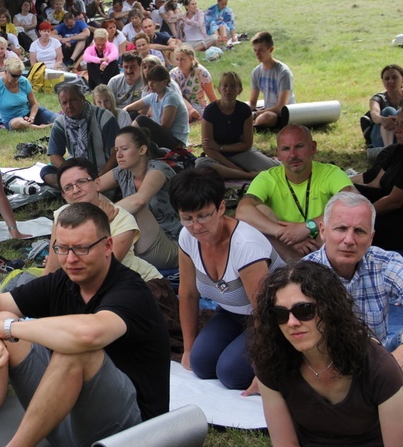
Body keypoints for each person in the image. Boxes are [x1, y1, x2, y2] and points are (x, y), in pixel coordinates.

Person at [0, 202, 171, 446]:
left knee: (75, 352)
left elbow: (88, 335)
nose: (70, 259)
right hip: (66, 420)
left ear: (107, 246)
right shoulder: (62, 280)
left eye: (82, 248)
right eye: (62, 248)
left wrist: (7, 329)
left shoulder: (131, 291)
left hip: (129, 432)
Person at [250, 261, 403, 446]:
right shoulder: (271, 362)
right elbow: (285, 443)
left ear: (330, 309)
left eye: (304, 310)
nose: (292, 322)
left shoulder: (379, 367)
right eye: (280, 314)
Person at [170, 167, 284, 390]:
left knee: (230, 374)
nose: (196, 226)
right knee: (200, 364)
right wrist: (188, 348)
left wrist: (263, 370)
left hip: (270, 320)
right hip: (232, 314)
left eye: (203, 216)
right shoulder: (187, 237)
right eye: (187, 218)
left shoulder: (245, 245)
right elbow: (188, 293)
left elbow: (264, 311)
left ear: (221, 207)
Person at [304, 192, 403, 366]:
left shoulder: (385, 263)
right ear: (323, 231)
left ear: (371, 238)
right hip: (326, 366)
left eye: (359, 231)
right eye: (341, 229)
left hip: (378, 359)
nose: (349, 240)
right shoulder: (302, 274)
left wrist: (394, 364)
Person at [235, 124, 355, 261]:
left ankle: (322, 267)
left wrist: (308, 227)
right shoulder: (267, 178)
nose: (293, 155)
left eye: (299, 146)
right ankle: (294, 267)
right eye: (286, 149)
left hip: (322, 245)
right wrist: (287, 235)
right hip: (284, 247)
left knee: (342, 218)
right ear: (278, 154)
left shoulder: (331, 173)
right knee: (259, 210)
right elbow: (242, 211)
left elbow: (354, 203)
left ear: (313, 148)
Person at [45, 157, 162, 284]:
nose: (76, 190)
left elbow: (99, 273)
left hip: (141, 285)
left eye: (82, 182)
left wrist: (100, 223)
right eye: (68, 187)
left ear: (97, 184)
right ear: (64, 196)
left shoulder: (121, 219)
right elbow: (52, 268)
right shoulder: (62, 216)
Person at [98, 126, 180, 269]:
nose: (119, 155)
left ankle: (104, 261)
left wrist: (100, 215)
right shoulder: (122, 172)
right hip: (136, 243)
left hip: (170, 244)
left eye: (124, 149)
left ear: (142, 150)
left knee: (137, 207)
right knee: (92, 195)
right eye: (117, 150)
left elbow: (140, 200)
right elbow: (92, 188)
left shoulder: (158, 169)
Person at [196, 71, 279, 180]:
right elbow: (208, 148)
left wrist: (220, 147)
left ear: (239, 90)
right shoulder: (210, 110)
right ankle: (248, 175)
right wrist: (235, 168)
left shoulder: (244, 110)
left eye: (233, 86)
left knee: (274, 169)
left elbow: (247, 144)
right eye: (225, 86)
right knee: (201, 165)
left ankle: (236, 173)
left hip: (240, 152)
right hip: (217, 156)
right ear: (219, 89)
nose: (228, 90)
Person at [41, 82, 118, 189]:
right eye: (64, 103)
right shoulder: (60, 122)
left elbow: (116, 153)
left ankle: (73, 189)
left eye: (73, 100)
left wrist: (99, 177)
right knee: (46, 172)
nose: (69, 106)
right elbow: (54, 157)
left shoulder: (104, 117)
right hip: (76, 172)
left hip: (103, 171)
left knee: (121, 171)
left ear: (82, 98)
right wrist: (74, 173)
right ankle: (78, 188)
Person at [351, 116, 403, 250]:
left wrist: (359, 216)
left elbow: (394, 201)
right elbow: (375, 184)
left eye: (402, 125)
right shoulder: (397, 150)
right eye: (397, 124)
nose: (397, 130)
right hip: (384, 209)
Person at [0, 57, 56, 131]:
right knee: (19, 123)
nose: (17, 79)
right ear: (6, 72)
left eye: (19, 76)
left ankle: (39, 125)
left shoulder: (24, 81)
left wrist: (31, 117)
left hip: (30, 114)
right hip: (12, 120)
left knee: (59, 119)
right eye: (14, 76)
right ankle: (44, 128)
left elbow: (34, 104)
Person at [124, 65, 189, 149]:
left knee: (141, 119)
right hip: (163, 135)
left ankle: (128, 142)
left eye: (154, 82)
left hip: (175, 141)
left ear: (165, 82)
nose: (150, 84)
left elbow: (165, 126)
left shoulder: (171, 98)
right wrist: (122, 115)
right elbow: (129, 108)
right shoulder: (154, 96)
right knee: (132, 114)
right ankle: (128, 140)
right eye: (149, 81)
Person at [249, 31, 296, 129]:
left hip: (283, 113)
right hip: (266, 109)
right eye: (255, 50)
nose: (257, 54)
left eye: (261, 50)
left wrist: (255, 114)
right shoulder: (256, 72)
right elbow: (252, 102)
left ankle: (251, 125)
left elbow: (281, 106)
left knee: (265, 117)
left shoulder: (283, 72)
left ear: (271, 50)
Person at [170, 44, 217, 122]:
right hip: (180, 104)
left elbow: (211, 94)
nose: (179, 62)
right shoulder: (173, 74)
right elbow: (175, 95)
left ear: (191, 58)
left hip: (198, 103)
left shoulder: (201, 72)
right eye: (177, 59)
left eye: (182, 59)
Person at [366, 64, 403, 149]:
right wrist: (382, 120)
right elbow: (374, 114)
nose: (390, 81)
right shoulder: (378, 98)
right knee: (388, 111)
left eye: (394, 77)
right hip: (381, 139)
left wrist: (398, 119)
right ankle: (389, 151)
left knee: (399, 113)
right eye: (386, 79)